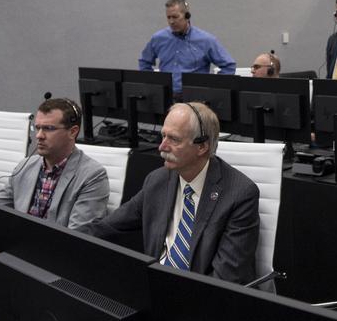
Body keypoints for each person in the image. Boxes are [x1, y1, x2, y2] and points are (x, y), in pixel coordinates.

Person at [80, 102, 259, 284]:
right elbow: (106, 227)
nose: (162, 147)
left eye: (174, 139)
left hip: (202, 297)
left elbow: (226, 278)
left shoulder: (239, 194)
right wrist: (60, 240)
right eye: (163, 136)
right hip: (156, 285)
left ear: (202, 146)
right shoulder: (157, 180)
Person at [0, 97, 109, 234]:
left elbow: (78, 237)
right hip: (18, 248)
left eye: (48, 129)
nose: (39, 135)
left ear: (72, 132)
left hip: (56, 252)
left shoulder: (92, 176)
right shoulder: (25, 166)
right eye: (37, 128)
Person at [138, 0, 235, 93]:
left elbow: (229, 66)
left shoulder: (206, 40)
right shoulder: (158, 38)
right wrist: (153, 84)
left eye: (175, 17)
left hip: (194, 97)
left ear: (187, 16)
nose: (171, 21)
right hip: (166, 95)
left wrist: (212, 88)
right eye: (168, 17)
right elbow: (144, 62)